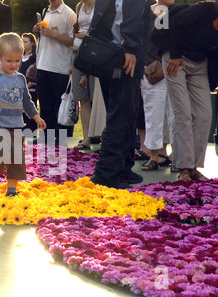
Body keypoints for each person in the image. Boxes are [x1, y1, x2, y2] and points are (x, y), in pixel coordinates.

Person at [0, 32, 46, 197]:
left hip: (16, 125)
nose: (14, 64)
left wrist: (36, 117)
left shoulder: (20, 79)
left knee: (17, 158)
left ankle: (11, 190)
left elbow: (27, 101)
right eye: (9, 61)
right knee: (0, 155)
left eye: (17, 61)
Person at [89, 0, 152, 189]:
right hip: (123, 55)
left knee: (128, 113)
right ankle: (106, 175)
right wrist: (130, 48)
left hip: (115, 52)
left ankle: (123, 168)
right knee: (121, 116)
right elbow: (127, 15)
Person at [162, 1, 218, 180]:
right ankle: (183, 168)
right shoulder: (208, 9)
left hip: (200, 65)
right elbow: (176, 23)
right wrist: (176, 55)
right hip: (176, 60)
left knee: (204, 115)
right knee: (183, 112)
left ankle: (194, 166)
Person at [32, 0, 76, 145]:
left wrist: (53, 34)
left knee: (61, 106)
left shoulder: (69, 14)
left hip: (61, 67)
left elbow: (74, 41)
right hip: (43, 65)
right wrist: (38, 31)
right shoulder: (46, 11)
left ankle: (62, 140)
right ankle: (46, 137)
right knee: (45, 105)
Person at [140, 0, 175, 172]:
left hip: (176, 70)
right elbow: (141, 40)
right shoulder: (146, 11)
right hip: (152, 71)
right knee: (152, 115)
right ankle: (153, 156)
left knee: (177, 115)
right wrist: (148, 65)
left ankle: (175, 156)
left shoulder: (180, 12)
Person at [72, 0, 95, 150]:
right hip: (77, 54)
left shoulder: (101, 5)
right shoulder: (79, 6)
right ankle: (86, 138)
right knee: (83, 98)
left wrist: (88, 35)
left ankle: (98, 135)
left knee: (95, 97)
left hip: (94, 54)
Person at [19, 33, 38, 134]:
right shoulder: (19, 56)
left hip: (30, 89)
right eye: (22, 41)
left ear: (31, 43)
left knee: (30, 112)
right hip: (18, 89)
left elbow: (34, 76)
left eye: (25, 42)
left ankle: (32, 133)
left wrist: (25, 87)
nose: (23, 44)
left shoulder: (35, 57)